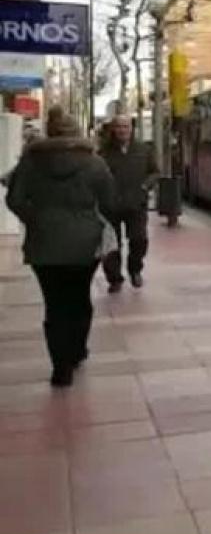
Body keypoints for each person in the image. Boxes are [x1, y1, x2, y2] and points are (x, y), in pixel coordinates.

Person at [6, 106, 116, 387]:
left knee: (54, 305)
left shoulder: (30, 162)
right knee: (79, 297)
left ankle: (60, 368)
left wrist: (35, 219)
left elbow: (14, 199)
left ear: (50, 131)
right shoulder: (94, 162)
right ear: (77, 132)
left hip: (44, 243)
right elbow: (109, 200)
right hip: (84, 242)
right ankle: (77, 350)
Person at [100, 114, 159, 293]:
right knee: (111, 245)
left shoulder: (143, 149)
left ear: (131, 129)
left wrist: (144, 186)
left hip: (136, 204)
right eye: (118, 126)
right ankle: (114, 278)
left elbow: (155, 172)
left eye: (125, 126)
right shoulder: (103, 152)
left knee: (139, 239)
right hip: (111, 206)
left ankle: (135, 270)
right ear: (113, 129)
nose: (122, 130)